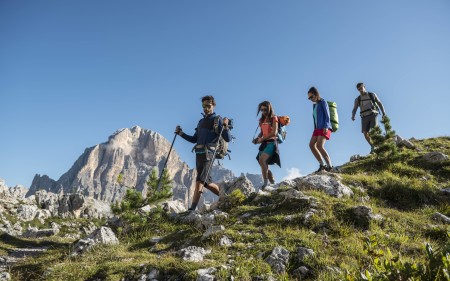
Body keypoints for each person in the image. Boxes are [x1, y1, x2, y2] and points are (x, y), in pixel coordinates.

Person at [175, 95, 231, 211]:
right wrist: (181, 134)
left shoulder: (217, 119)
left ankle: (192, 209)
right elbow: (194, 139)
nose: (206, 108)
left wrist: (225, 126)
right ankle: (226, 196)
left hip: (209, 153)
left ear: (213, 106)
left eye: (208, 106)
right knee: (205, 182)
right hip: (199, 153)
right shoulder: (200, 122)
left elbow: (228, 138)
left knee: (200, 181)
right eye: (203, 106)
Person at [252, 101, 280, 189]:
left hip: (271, 143)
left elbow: (274, 132)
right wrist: (257, 139)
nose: (263, 111)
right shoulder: (262, 120)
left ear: (269, 108)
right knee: (263, 163)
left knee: (262, 160)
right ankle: (272, 182)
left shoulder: (274, 118)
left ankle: (265, 183)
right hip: (264, 144)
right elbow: (262, 132)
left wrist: (262, 139)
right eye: (262, 110)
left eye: (265, 109)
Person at [351, 82, 387, 152]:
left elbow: (379, 103)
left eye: (361, 88)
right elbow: (354, 108)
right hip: (364, 116)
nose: (360, 90)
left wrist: (383, 113)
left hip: (373, 114)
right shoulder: (358, 99)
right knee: (365, 133)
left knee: (374, 131)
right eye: (359, 89)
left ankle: (380, 145)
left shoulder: (372, 95)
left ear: (364, 87)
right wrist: (353, 115)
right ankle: (373, 146)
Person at [307, 87, 333, 172]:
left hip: (324, 127)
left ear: (316, 94)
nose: (310, 99)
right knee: (311, 145)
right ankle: (322, 165)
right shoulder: (314, 105)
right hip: (317, 129)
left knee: (319, 146)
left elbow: (327, 115)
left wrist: (326, 126)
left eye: (311, 97)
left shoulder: (322, 102)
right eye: (309, 98)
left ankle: (330, 166)